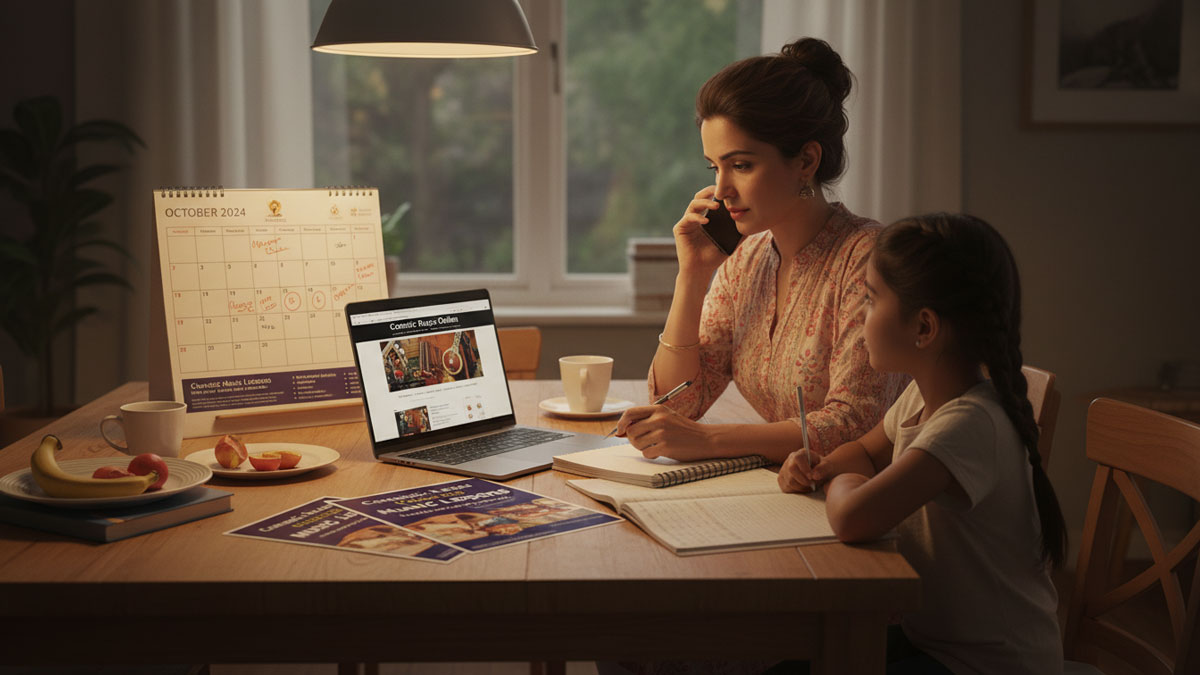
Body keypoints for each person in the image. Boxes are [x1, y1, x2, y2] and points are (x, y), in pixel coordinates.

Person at [779, 213, 1067, 674]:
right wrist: (834, 468)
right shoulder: (923, 395)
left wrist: (845, 476)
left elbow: (852, 518)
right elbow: (861, 453)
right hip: (936, 643)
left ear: (924, 328)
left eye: (870, 300)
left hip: (988, 665)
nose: (860, 315)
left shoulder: (969, 424)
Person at [614, 37, 905, 464]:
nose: (721, 190)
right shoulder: (745, 261)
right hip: (782, 494)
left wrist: (710, 441)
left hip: (860, 506)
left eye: (741, 165)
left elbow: (854, 423)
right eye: (714, 167)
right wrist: (692, 276)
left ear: (806, 160)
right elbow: (676, 408)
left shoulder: (868, 259)